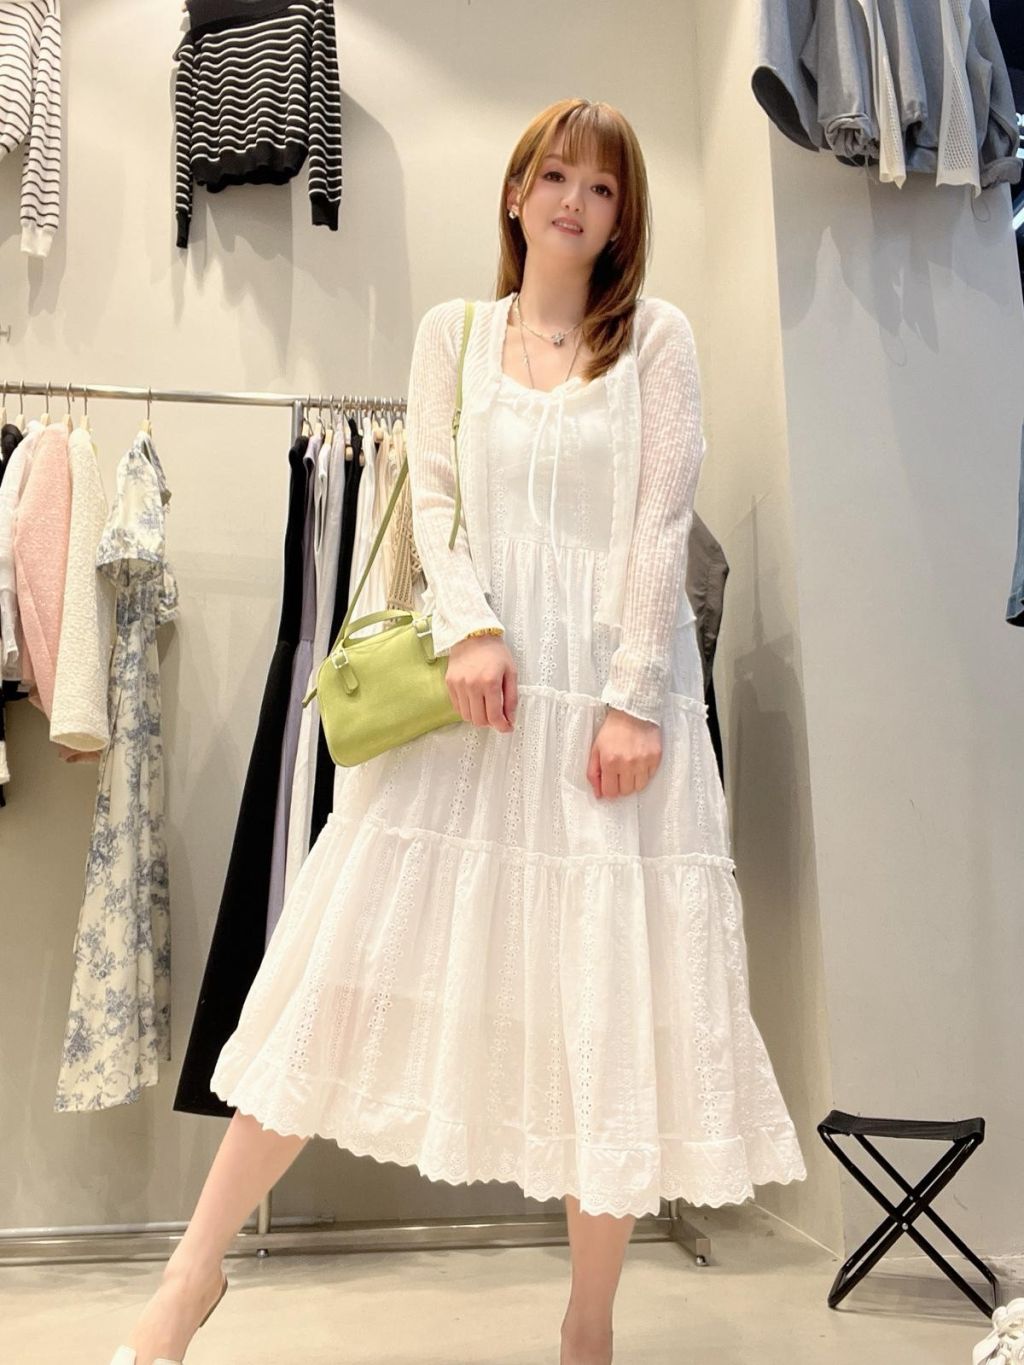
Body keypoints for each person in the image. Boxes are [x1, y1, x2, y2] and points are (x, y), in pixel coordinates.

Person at [109, 96, 806, 1365]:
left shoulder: (657, 339)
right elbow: (431, 499)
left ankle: (587, 1325)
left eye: (602, 187)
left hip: (608, 712)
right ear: (515, 193)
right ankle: (188, 1278)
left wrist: (634, 696)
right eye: (556, 176)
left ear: (622, 217)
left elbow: (661, 522)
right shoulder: (454, 334)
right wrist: (474, 626)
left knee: (605, 1014)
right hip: (474, 707)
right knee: (339, 980)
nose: (575, 202)